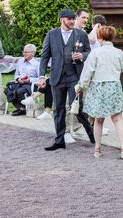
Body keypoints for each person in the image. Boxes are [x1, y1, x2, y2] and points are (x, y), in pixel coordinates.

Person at [38, 8, 95, 150]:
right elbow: (45, 56)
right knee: (59, 109)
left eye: (73, 19)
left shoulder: (81, 34)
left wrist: (82, 56)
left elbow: (89, 52)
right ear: (61, 19)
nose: (72, 22)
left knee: (78, 107)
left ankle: (91, 133)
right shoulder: (51, 34)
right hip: (56, 78)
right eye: (69, 19)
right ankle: (59, 141)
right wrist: (41, 76)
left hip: (74, 77)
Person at [77, 26, 123, 159]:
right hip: (114, 86)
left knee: (98, 120)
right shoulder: (119, 52)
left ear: (99, 38)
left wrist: (81, 86)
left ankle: (97, 148)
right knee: (117, 118)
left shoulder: (95, 53)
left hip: (98, 86)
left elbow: (88, 71)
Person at [6, 44, 40, 116]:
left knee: (19, 91)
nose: (24, 54)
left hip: (31, 85)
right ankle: (21, 108)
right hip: (19, 83)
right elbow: (16, 74)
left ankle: (23, 109)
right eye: (23, 52)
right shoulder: (20, 61)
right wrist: (18, 78)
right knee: (8, 90)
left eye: (26, 52)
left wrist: (29, 80)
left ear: (32, 53)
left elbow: (40, 78)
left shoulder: (37, 64)